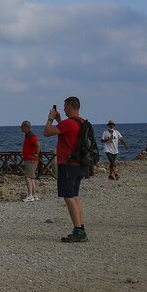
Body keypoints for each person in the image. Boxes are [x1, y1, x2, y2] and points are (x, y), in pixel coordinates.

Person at [43, 97, 88, 243]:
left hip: (67, 164)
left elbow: (46, 132)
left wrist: (50, 119)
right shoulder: (81, 122)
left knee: (69, 197)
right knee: (74, 196)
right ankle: (80, 227)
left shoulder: (69, 123)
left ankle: (78, 231)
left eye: (64, 107)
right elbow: (65, 130)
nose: (63, 109)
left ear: (69, 106)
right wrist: (59, 120)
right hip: (79, 164)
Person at [20, 120, 40, 202]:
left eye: (22, 126)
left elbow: (38, 144)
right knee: (31, 177)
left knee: (27, 177)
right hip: (30, 159)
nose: (21, 128)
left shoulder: (31, 136)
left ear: (26, 127)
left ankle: (30, 195)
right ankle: (34, 195)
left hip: (31, 159)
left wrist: (36, 154)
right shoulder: (28, 135)